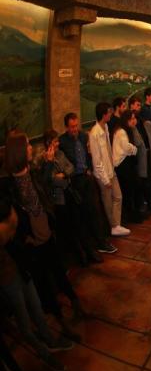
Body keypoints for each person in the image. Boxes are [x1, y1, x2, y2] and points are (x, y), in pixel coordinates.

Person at [0, 199, 72, 371]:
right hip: (6, 280)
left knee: (37, 308)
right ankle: (44, 353)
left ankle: (50, 340)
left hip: (21, 269)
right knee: (24, 322)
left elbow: (13, 220)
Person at [38, 130, 102, 266]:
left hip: (70, 192)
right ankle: (80, 256)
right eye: (55, 141)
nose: (58, 143)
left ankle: (89, 251)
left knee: (79, 222)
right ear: (49, 143)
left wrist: (63, 174)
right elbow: (49, 180)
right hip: (59, 199)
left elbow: (71, 167)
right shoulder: (43, 160)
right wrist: (60, 177)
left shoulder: (60, 154)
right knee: (70, 228)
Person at [58, 113, 114, 254]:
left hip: (86, 177)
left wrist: (89, 168)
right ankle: (89, 246)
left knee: (94, 210)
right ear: (66, 127)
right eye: (72, 126)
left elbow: (89, 154)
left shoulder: (83, 136)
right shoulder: (62, 142)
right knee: (81, 215)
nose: (75, 129)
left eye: (76, 125)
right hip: (74, 181)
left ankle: (101, 242)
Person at [89, 102, 129, 239]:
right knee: (107, 201)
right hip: (103, 174)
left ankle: (116, 225)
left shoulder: (105, 127)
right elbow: (97, 160)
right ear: (104, 114)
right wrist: (105, 179)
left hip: (111, 170)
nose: (111, 115)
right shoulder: (94, 133)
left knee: (118, 196)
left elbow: (108, 151)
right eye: (109, 113)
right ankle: (112, 226)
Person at [112, 111, 140, 224]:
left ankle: (130, 215)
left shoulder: (125, 130)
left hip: (125, 163)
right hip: (122, 164)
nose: (133, 121)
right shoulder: (122, 131)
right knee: (128, 191)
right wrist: (135, 149)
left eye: (134, 118)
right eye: (131, 119)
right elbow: (126, 148)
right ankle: (128, 217)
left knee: (130, 190)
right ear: (125, 120)